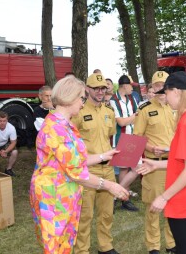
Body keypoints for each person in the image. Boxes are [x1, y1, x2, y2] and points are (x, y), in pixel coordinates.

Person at [29, 76, 128, 254]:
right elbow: (77, 173)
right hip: (54, 198)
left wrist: (103, 156)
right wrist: (109, 185)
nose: (83, 103)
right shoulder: (56, 128)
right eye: (82, 98)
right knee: (56, 248)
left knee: (66, 245)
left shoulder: (66, 125)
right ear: (70, 98)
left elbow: (75, 160)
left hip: (66, 195)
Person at [137, 71, 186, 254]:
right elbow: (184, 163)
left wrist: (164, 197)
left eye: (166, 93)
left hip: (182, 197)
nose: (165, 99)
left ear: (176, 91)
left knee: (185, 250)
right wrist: (156, 164)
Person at [72, 73, 122, 254]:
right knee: (85, 214)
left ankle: (105, 246)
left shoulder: (109, 112)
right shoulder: (78, 111)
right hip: (87, 169)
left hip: (108, 168)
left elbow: (108, 136)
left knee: (107, 212)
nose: (100, 92)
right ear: (87, 89)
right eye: (96, 88)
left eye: (103, 88)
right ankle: (82, 250)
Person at [133, 71, 177, 253]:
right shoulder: (144, 109)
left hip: (174, 164)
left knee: (172, 205)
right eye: (157, 85)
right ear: (152, 87)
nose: (161, 88)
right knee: (153, 207)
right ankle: (153, 246)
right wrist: (150, 148)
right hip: (153, 164)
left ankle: (171, 243)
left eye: (164, 84)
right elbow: (137, 137)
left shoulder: (175, 108)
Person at [109, 74, 140, 212]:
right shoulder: (113, 100)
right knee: (125, 169)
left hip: (132, 136)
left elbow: (129, 119)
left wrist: (130, 118)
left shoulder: (131, 98)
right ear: (124, 86)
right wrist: (134, 116)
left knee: (136, 168)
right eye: (130, 87)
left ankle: (117, 195)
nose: (132, 90)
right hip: (120, 138)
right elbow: (121, 122)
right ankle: (123, 197)